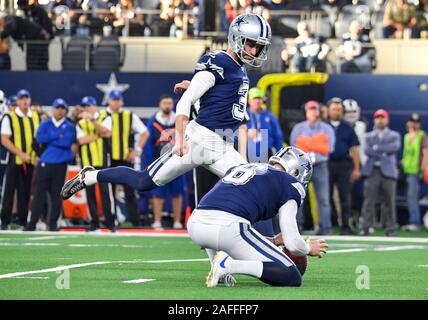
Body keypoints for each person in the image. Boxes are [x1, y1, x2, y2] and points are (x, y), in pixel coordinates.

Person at [61, 12, 271, 204]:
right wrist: (179, 138)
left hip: (223, 144)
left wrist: (203, 91)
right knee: (143, 181)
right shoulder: (217, 62)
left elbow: (217, 101)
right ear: (236, 37)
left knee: (252, 187)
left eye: (258, 47)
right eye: (251, 44)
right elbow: (184, 102)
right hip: (198, 141)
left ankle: (266, 243)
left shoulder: (240, 71)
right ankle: (89, 176)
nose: (254, 51)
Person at [187, 147, 328, 287]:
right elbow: (293, 243)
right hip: (227, 226)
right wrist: (308, 248)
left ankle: (218, 267)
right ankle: (228, 266)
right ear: (297, 172)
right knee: (291, 275)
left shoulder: (247, 167)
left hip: (196, 225)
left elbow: (221, 214)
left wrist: (273, 240)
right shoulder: (290, 183)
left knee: (231, 233)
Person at [99, 89, 149, 226]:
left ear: (121, 101)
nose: (116, 102)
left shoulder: (128, 115)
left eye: (118, 99)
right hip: (108, 158)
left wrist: (136, 150)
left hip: (125, 159)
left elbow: (145, 133)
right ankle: (111, 220)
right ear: (108, 101)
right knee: (109, 192)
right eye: (113, 99)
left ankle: (135, 221)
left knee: (130, 191)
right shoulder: (101, 115)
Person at [24, 99, 75, 231]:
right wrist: (58, 135)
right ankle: (32, 223)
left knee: (57, 195)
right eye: (57, 108)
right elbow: (40, 138)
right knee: (38, 195)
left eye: (62, 108)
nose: (60, 110)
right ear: (53, 109)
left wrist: (51, 139)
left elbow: (67, 142)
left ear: (65, 110)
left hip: (60, 165)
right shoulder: (45, 123)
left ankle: (52, 224)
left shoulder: (69, 126)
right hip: (45, 164)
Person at [290, 100, 335, 235]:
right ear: (306, 112)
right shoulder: (298, 128)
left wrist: (306, 142)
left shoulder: (326, 128)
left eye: (315, 109)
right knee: (298, 196)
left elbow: (328, 148)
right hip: (302, 165)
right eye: (310, 109)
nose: (313, 112)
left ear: (319, 111)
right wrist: (317, 143)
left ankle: (325, 227)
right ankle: (297, 226)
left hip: (320, 165)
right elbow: (295, 148)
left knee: (324, 199)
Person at [0, 89, 40, 230]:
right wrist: (20, 153)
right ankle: (4, 221)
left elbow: (39, 138)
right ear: (17, 101)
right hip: (14, 161)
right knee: (9, 191)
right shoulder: (9, 117)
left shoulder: (36, 116)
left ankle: (22, 221)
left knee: (25, 192)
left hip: (30, 161)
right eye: (21, 98)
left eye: (26, 98)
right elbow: (4, 140)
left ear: (29, 100)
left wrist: (38, 155)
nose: (24, 101)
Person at [144, 94, 185, 229]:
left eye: (169, 103)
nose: (167, 105)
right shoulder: (152, 121)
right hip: (159, 161)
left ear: (172, 105)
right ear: (160, 104)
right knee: (158, 192)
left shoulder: (179, 120)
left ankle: (177, 221)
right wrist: (150, 161)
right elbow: (148, 143)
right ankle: (157, 221)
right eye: (164, 103)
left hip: (177, 161)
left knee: (177, 192)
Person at [76, 96, 116, 232]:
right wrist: (97, 135)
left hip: (103, 161)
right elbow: (81, 140)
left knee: (106, 192)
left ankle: (110, 222)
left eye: (89, 106)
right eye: (84, 106)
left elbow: (107, 133)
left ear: (94, 106)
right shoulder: (81, 122)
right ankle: (94, 222)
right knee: (90, 193)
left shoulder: (105, 117)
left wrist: (93, 121)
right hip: (87, 162)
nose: (86, 109)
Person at [361, 109, 401, 237]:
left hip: (389, 172)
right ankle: (365, 227)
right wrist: (383, 151)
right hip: (372, 171)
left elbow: (394, 147)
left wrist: (377, 148)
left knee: (390, 201)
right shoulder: (368, 136)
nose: (380, 120)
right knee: (369, 201)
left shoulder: (394, 135)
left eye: (382, 117)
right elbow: (367, 150)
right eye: (377, 117)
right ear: (374, 120)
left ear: (387, 119)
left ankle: (391, 229)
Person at [327, 97, 360, 235]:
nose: (336, 112)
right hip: (326, 164)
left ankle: (345, 226)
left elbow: (354, 149)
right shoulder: (323, 127)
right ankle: (326, 225)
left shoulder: (348, 128)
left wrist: (357, 168)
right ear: (329, 110)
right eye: (334, 109)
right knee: (325, 196)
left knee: (345, 196)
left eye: (339, 109)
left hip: (344, 164)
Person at [401, 113, 428, 231]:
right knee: (410, 196)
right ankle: (414, 220)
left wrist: (423, 167)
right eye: (412, 121)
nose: (414, 124)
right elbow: (408, 153)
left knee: (412, 196)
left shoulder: (422, 136)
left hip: (417, 171)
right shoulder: (407, 136)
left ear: (419, 124)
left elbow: (426, 153)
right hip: (407, 170)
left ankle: (415, 222)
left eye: (416, 122)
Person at [246, 87, 283, 162]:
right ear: (248, 100)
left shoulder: (270, 116)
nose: (257, 101)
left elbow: (278, 137)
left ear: (263, 100)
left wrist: (278, 157)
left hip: (267, 155)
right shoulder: (243, 115)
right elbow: (232, 136)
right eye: (254, 98)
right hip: (247, 156)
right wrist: (245, 134)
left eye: (259, 98)